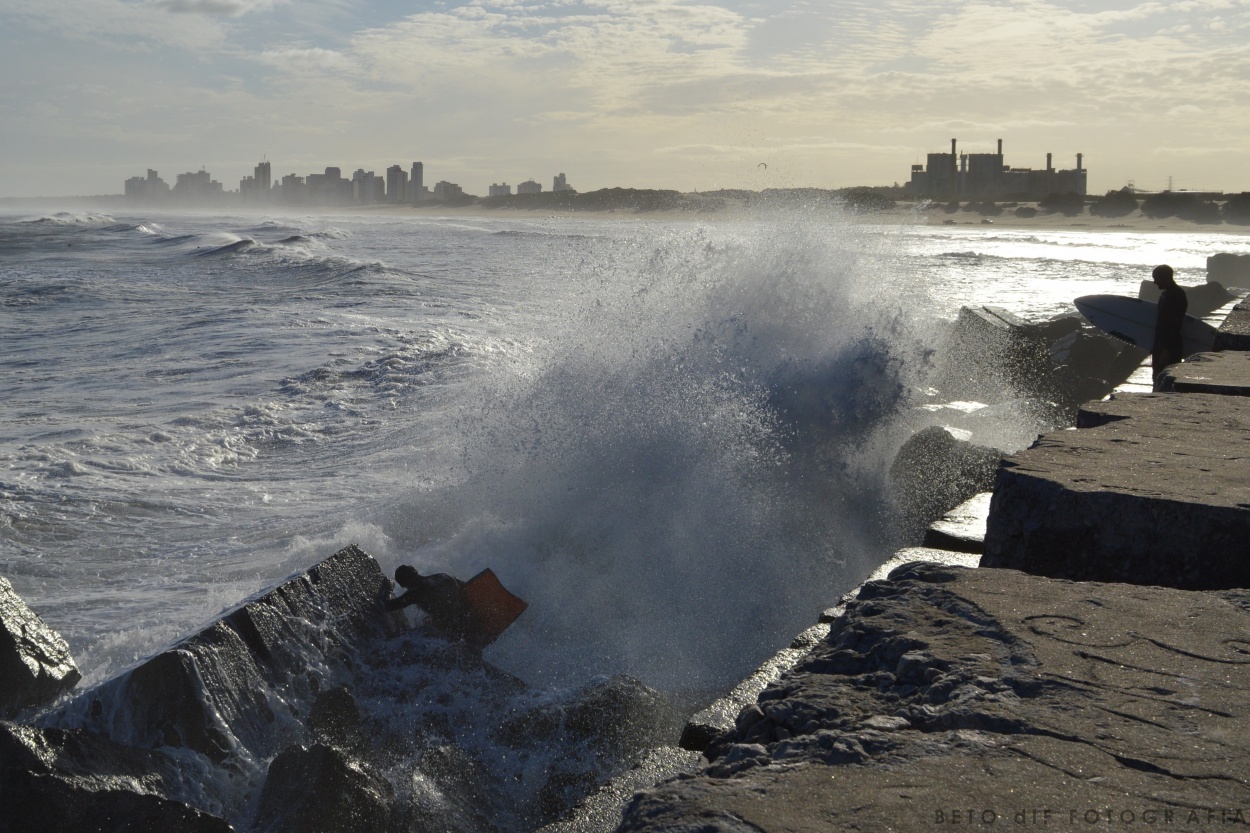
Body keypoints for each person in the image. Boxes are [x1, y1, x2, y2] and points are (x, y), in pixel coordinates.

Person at [386, 565, 483, 647]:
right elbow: (466, 588)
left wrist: (387, 588)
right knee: (427, 620)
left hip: (458, 633)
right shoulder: (443, 576)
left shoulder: (415, 594)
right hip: (473, 620)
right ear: (415, 571)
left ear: (404, 585)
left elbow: (390, 606)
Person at [1151, 264, 1187, 387]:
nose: (1154, 282)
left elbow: (1174, 325)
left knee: (1164, 381)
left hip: (1169, 348)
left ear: (1165, 278)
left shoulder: (1177, 295)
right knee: (1156, 379)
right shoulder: (1165, 294)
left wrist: (1167, 350)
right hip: (1160, 346)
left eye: (1156, 278)